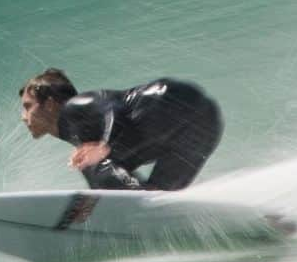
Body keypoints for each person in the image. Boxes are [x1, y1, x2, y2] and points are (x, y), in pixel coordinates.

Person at [19, 67, 223, 191]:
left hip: (171, 103)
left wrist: (103, 146)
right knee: (160, 198)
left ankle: (134, 197)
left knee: (94, 163)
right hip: (202, 123)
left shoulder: (75, 107)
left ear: (50, 104)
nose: (23, 117)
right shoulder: (80, 131)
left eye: (28, 106)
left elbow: (112, 109)